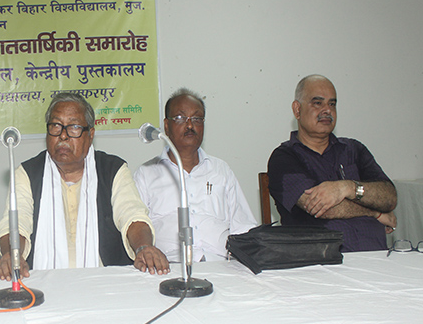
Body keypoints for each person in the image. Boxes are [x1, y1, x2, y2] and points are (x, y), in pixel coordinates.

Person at [0, 92, 169, 280]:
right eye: (56, 126)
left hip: (104, 283)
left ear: (90, 134)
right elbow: (16, 224)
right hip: (41, 282)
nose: (63, 135)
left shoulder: (113, 170)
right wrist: (12, 255)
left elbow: (132, 215)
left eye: (74, 127)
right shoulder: (27, 173)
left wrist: (143, 247)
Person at [267, 74, 396, 252]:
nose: (327, 110)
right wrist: (375, 212)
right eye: (317, 103)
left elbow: (389, 197)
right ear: (297, 109)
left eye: (332, 104)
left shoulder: (354, 149)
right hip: (322, 261)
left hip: (378, 255)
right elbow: (320, 207)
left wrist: (347, 188)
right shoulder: (284, 158)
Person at [134, 88, 257, 262]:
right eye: (180, 118)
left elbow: (243, 226)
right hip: (168, 266)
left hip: (221, 265)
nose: (190, 125)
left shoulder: (221, 170)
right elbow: (136, 224)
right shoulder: (147, 173)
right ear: (166, 126)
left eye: (197, 119)